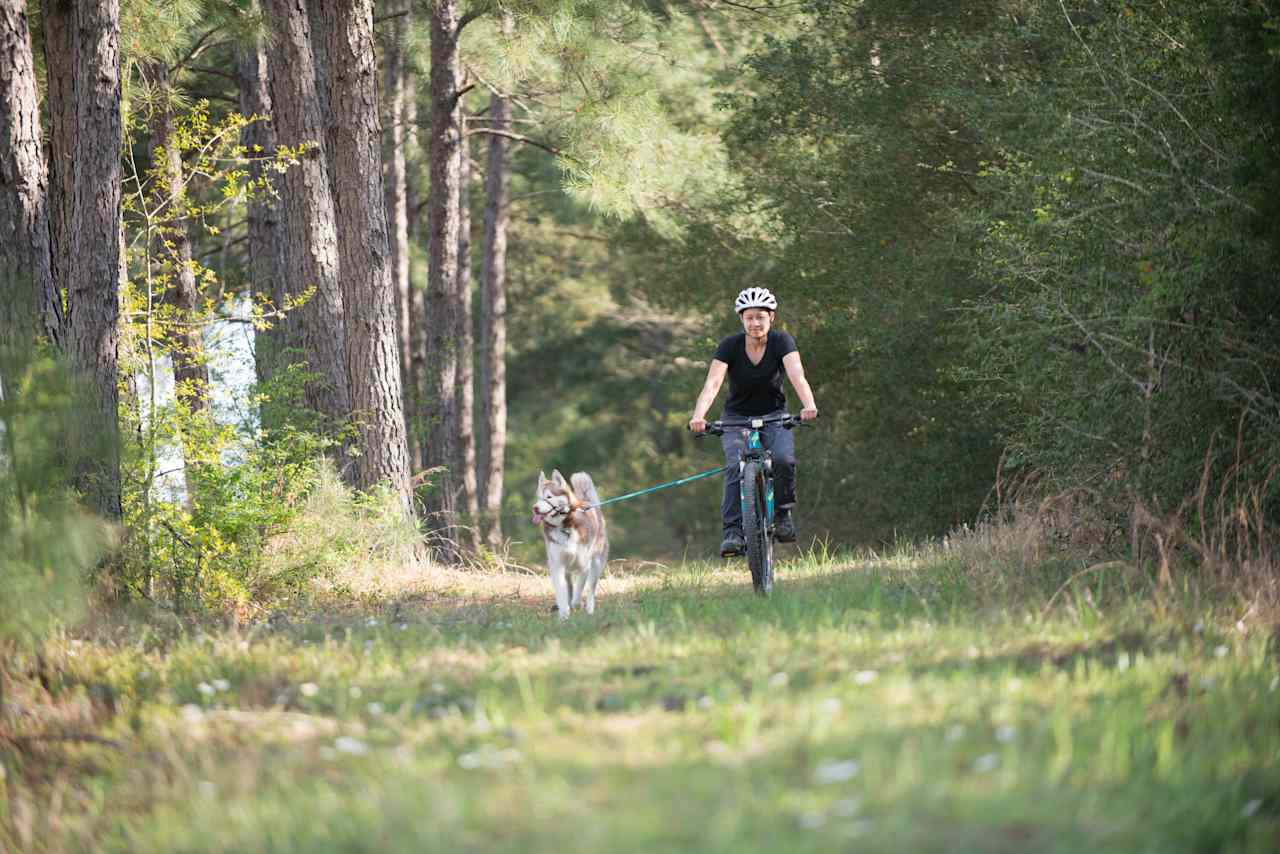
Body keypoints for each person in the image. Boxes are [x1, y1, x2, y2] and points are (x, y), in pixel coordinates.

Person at [688, 286, 819, 556]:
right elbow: (713, 383)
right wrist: (699, 416)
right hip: (736, 419)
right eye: (749, 317)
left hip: (775, 416)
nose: (755, 323)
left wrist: (809, 405)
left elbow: (797, 376)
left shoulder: (782, 341)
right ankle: (733, 532)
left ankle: (782, 516)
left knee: (783, 459)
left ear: (771, 317)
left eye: (760, 316)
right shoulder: (730, 346)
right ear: (741, 319)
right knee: (735, 465)